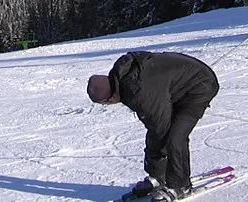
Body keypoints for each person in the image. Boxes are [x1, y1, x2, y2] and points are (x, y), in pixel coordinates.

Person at [88, 51, 220, 201]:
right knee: (158, 130)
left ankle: (180, 185)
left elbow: (161, 127)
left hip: (200, 85)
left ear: (108, 99)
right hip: (179, 83)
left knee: (175, 137)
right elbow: (155, 126)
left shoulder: (137, 92)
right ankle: (159, 177)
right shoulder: (123, 75)